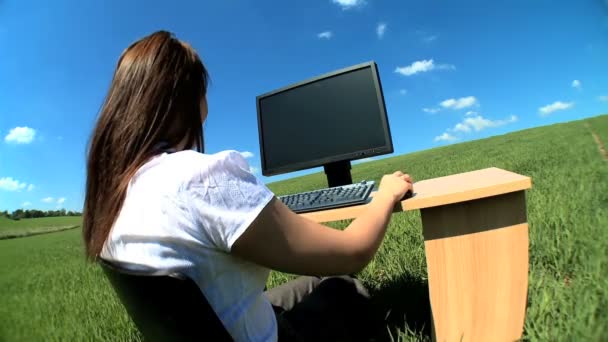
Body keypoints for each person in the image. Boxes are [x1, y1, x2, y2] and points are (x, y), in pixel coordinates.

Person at [83, 30, 413, 341]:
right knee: (344, 284)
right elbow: (352, 253)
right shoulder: (203, 177)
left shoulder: (114, 198)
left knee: (314, 282)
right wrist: (384, 195)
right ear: (193, 100)